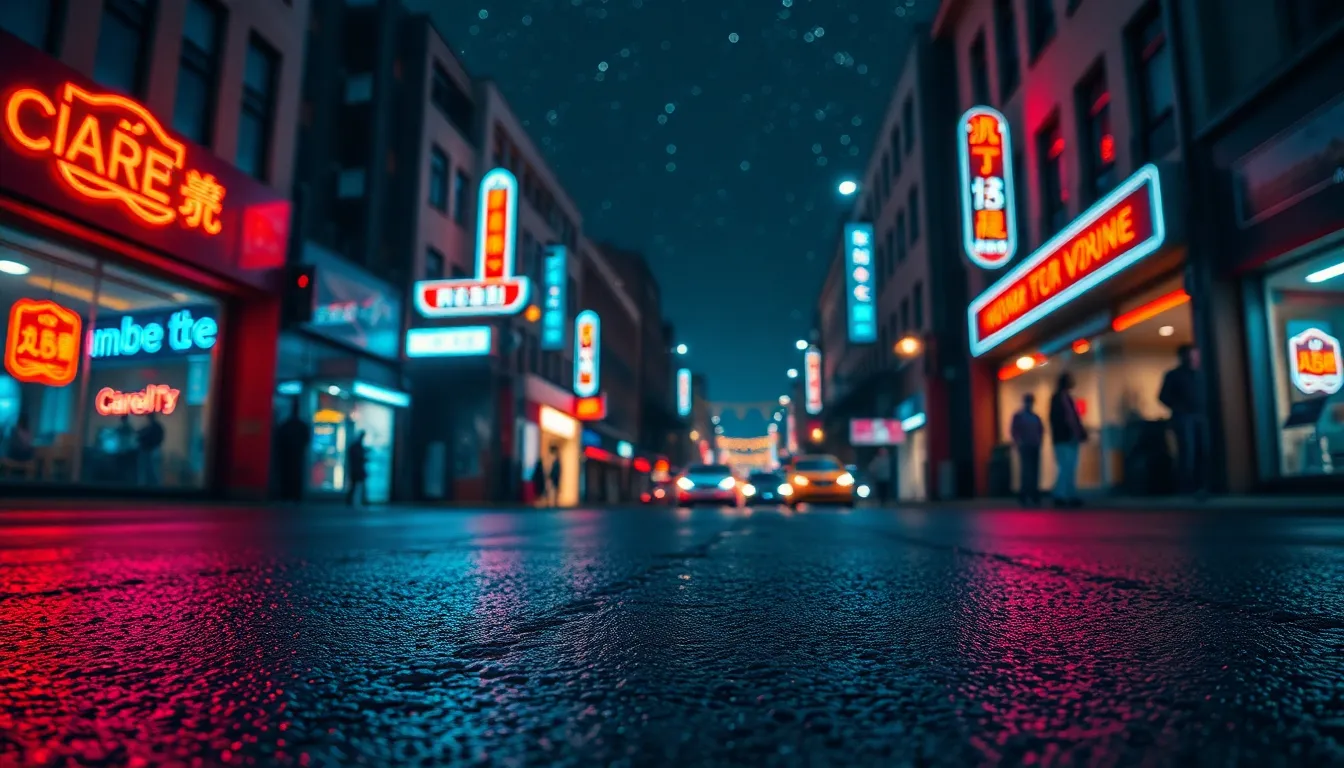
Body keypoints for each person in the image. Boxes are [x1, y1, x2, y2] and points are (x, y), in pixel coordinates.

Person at [1159, 344, 1204, 495]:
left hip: (1200, 416)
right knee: (1187, 452)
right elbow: (1163, 396)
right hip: (1184, 418)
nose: (1192, 358)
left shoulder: (1201, 374)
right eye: (1189, 354)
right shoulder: (1174, 375)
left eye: (1194, 354)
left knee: (1201, 450)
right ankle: (1186, 487)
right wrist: (1179, 407)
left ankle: (1200, 485)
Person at [1048, 372, 1087, 507]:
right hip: (1067, 438)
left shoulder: (1057, 399)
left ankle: (1066, 494)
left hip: (1062, 438)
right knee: (1068, 466)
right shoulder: (1064, 399)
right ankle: (1062, 494)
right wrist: (1078, 432)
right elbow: (1070, 418)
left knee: (1066, 467)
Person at [1010, 393, 1045, 506]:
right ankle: (1026, 494)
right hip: (1025, 446)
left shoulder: (1035, 417)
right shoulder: (1021, 416)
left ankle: (1033, 494)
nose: (1029, 404)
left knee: (1033, 470)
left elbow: (1041, 430)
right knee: (1027, 471)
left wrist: (1039, 441)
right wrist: (1018, 442)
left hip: (1034, 445)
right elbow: (1014, 430)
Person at [275, 400, 310, 503]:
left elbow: (279, 439)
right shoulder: (301, 425)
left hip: (287, 455)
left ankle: (286, 495)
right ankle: (294, 496)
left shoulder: (286, 425)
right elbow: (306, 439)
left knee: (287, 475)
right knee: (295, 475)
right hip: (295, 455)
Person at [137, 412, 165, 486]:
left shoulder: (152, 428)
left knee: (152, 471)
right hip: (151, 451)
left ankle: (154, 487)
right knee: (151, 471)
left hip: (152, 451)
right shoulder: (152, 427)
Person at [345, 430, 368, 506]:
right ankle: (361, 500)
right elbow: (358, 458)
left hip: (355, 469)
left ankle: (350, 500)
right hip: (357, 469)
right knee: (356, 485)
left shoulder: (355, 446)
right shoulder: (357, 446)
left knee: (354, 486)